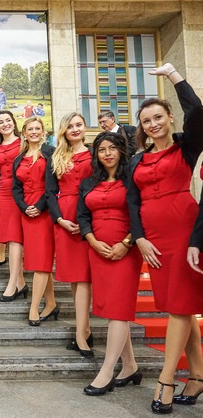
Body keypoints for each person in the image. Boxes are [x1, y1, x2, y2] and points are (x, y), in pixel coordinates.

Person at [126, 63, 203, 414]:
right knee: (180, 306)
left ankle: (167, 379)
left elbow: (198, 112)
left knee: (179, 306)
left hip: (184, 232)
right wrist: (139, 239)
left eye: (158, 117)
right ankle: (199, 375)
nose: (153, 124)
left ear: (170, 117)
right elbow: (132, 201)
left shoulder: (186, 147)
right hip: (153, 238)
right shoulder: (137, 159)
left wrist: (173, 76)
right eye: (146, 121)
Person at [77, 132, 143, 396]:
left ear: (121, 151)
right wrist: (92, 241)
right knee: (112, 310)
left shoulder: (132, 179)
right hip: (98, 249)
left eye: (112, 148)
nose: (107, 154)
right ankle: (130, 366)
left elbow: (140, 213)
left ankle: (106, 372)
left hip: (125, 251)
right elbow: (82, 215)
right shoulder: (89, 182)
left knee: (118, 311)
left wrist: (127, 243)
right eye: (102, 149)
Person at [46, 112, 93, 357]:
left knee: (84, 277)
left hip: (87, 214)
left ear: (85, 128)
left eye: (79, 125)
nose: (75, 129)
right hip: (64, 217)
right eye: (70, 126)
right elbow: (49, 192)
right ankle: (83, 329)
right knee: (76, 279)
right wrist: (60, 219)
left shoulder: (95, 153)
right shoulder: (57, 156)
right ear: (63, 131)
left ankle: (81, 333)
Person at [12, 116, 56, 326]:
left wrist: (39, 206)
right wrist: (23, 207)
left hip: (45, 211)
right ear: (24, 132)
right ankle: (51, 303)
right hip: (26, 212)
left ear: (43, 132)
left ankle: (33, 308)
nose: (34, 132)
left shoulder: (51, 153)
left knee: (42, 261)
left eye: (38, 128)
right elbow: (15, 188)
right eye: (30, 129)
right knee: (40, 261)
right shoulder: (18, 159)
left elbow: (53, 185)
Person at [0, 111, 26, 302]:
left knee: (15, 239)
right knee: (10, 239)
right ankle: (21, 283)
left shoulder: (23, 143)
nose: (5, 124)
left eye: (8, 121)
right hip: (3, 196)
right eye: (1, 122)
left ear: (13, 123)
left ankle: (12, 284)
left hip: (20, 193)